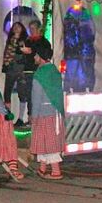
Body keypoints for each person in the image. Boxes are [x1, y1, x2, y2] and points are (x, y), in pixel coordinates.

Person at [29, 41, 65, 180]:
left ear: (40, 56)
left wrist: (34, 115)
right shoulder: (54, 70)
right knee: (46, 140)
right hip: (56, 111)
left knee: (48, 142)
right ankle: (42, 168)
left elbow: (36, 97)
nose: (34, 58)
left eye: (35, 55)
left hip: (44, 113)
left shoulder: (40, 74)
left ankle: (56, 171)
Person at [1, 22, 29, 124]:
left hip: (21, 70)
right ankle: (8, 115)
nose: (16, 29)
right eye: (15, 27)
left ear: (22, 29)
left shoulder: (25, 40)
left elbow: (25, 54)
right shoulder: (10, 41)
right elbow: (6, 54)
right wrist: (6, 65)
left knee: (22, 93)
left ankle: (21, 118)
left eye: (18, 27)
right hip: (11, 69)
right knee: (7, 92)